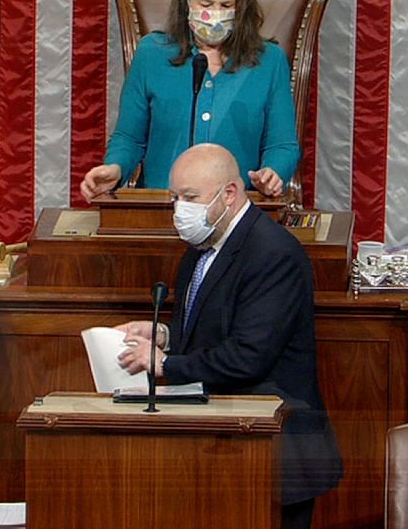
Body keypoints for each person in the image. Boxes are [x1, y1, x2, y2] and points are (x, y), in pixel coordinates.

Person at [114, 143, 341, 529]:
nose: (178, 209)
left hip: (270, 451)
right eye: (174, 197)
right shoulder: (202, 247)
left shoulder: (273, 253)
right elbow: (218, 327)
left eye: (189, 198)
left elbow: (249, 354)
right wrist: (166, 335)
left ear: (230, 194)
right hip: (219, 449)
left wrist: (166, 363)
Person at [81, 0, 299, 201]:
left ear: (241, 7)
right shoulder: (152, 54)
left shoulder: (269, 61)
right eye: (206, 4)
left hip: (234, 213)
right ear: (187, 2)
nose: (215, 14)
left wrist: (272, 173)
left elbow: (282, 145)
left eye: (226, 5)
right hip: (162, 209)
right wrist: (115, 168)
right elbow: (129, 138)